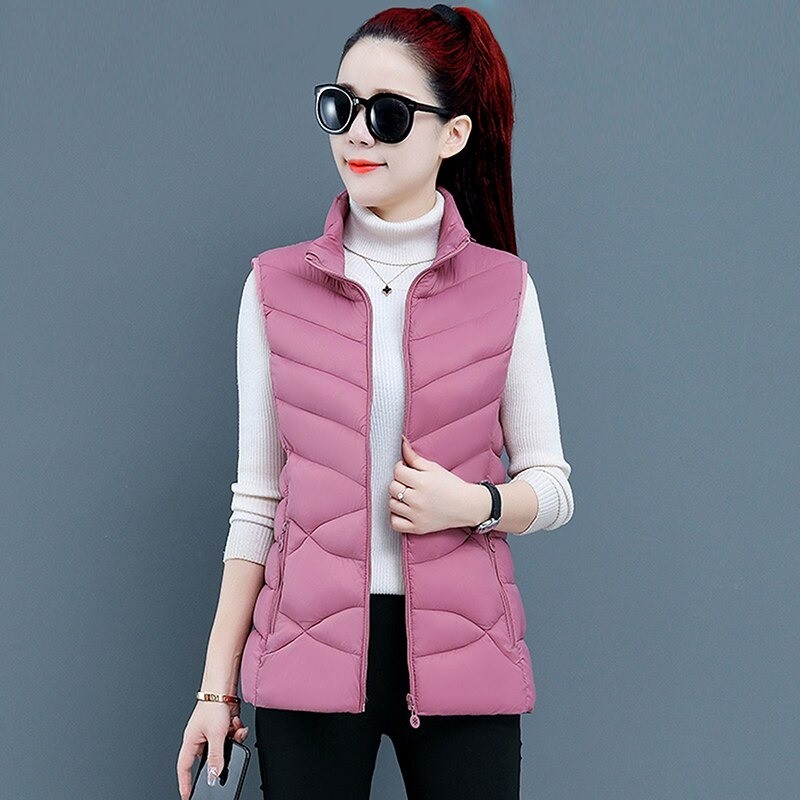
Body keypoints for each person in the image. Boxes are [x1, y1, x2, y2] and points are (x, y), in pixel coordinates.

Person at [177, 4, 574, 798]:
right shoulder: (274, 287)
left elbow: (553, 487)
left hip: (466, 658)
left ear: (452, 134)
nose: (357, 134)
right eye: (341, 106)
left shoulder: (505, 288)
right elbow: (257, 503)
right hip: (306, 656)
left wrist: (474, 503)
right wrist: (215, 691)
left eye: (388, 115)